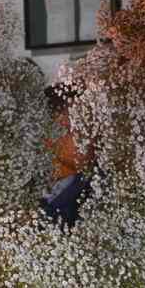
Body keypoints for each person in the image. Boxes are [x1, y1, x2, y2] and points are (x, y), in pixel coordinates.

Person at [40, 83, 92, 228]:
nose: (89, 137)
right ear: (48, 139)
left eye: (89, 126)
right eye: (73, 129)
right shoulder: (18, 186)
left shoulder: (94, 195)